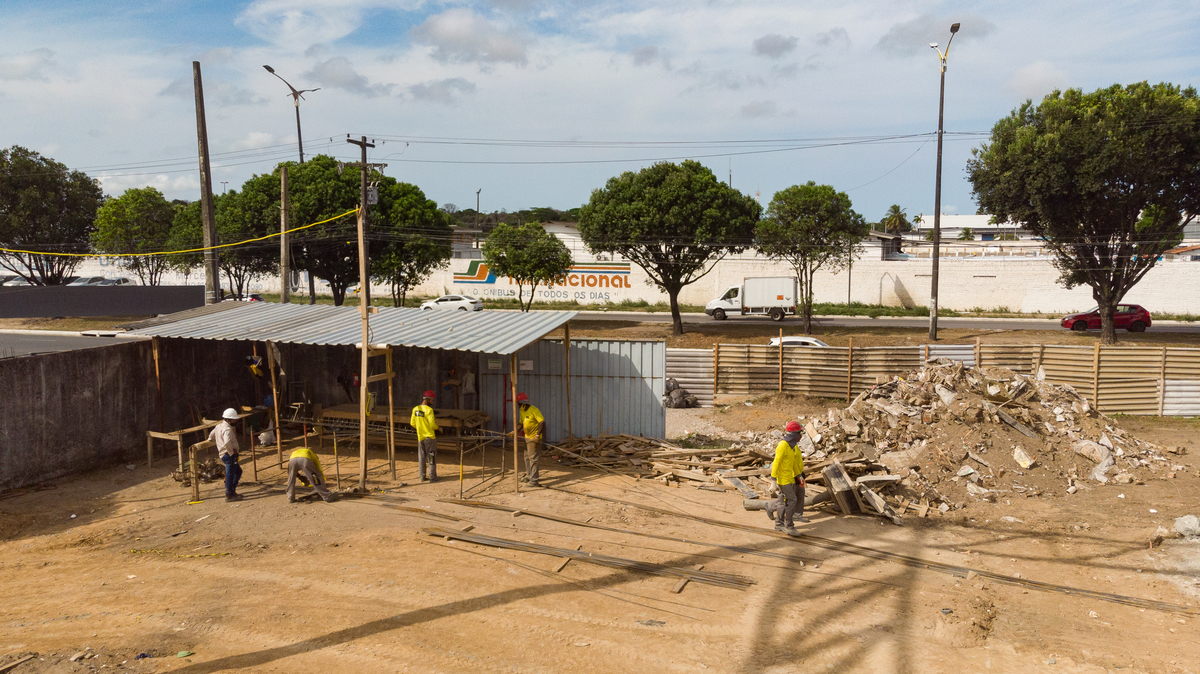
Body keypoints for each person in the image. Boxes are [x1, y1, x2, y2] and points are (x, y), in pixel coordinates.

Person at [768, 420, 808, 535]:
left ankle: (779, 523)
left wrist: (799, 475)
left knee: (784, 501)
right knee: (792, 500)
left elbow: (794, 463)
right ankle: (789, 526)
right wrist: (773, 480)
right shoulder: (783, 445)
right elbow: (776, 463)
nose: (800, 436)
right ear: (794, 434)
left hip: (790, 477)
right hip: (783, 479)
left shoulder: (792, 446)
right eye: (799, 433)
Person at [210, 408, 244, 502]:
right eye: (234, 420)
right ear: (229, 420)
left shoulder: (219, 426)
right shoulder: (227, 429)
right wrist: (231, 452)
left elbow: (211, 435)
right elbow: (227, 441)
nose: (235, 421)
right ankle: (229, 494)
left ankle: (232, 491)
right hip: (229, 455)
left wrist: (210, 439)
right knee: (230, 474)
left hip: (224, 455)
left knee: (237, 472)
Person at [516, 393, 546, 487]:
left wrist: (537, 435)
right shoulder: (522, 411)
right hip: (527, 437)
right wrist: (515, 431)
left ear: (523, 403)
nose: (518, 406)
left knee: (533, 459)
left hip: (534, 439)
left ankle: (534, 481)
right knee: (526, 457)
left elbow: (542, 422)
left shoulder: (534, 410)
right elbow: (521, 423)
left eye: (519, 404)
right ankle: (530, 476)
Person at [410, 390, 440, 482]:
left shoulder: (415, 409)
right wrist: (438, 428)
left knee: (421, 458)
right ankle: (432, 477)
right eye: (432, 400)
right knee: (431, 457)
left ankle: (422, 477)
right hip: (430, 438)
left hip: (420, 437)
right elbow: (432, 424)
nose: (432, 402)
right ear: (428, 399)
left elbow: (412, 423)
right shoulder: (429, 410)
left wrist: (420, 427)